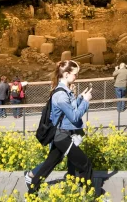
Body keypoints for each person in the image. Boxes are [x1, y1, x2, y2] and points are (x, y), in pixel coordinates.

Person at [25, 60, 93, 194]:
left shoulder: (65, 91)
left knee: (49, 165)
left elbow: (69, 110)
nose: (77, 77)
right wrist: (85, 102)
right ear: (66, 74)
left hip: (61, 134)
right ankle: (92, 196)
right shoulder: (61, 95)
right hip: (62, 135)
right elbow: (73, 117)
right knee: (86, 165)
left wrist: (79, 98)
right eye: (75, 74)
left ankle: (32, 192)